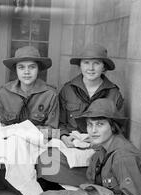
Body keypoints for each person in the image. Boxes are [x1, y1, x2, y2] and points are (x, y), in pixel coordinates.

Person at [0, 45, 60, 195]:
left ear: (39, 69)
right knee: (18, 167)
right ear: (15, 70)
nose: (27, 72)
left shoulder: (50, 94)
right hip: (12, 147)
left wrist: (27, 133)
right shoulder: (3, 93)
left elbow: (53, 129)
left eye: (31, 67)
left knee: (31, 170)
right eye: (21, 67)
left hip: (40, 145)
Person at [37, 43, 124, 187]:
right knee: (46, 159)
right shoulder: (68, 89)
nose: (90, 68)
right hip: (70, 144)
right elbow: (58, 122)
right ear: (80, 66)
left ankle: (89, 186)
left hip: (98, 147)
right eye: (86, 63)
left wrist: (98, 140)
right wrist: (65, 136)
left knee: (105, 163)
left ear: (104, 67)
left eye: (96, 63)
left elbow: (119, 129)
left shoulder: (114, 94)